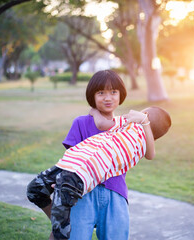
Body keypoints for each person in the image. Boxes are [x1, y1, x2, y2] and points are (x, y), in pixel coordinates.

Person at [27, 106, 171, 240]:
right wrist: (143, 120)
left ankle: (62, 225)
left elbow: (150, 154)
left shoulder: (137, 135)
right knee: (35, 190)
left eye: (142, 111)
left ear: (145, 115)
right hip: (72, 163)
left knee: (53, 213)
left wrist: (142, 121)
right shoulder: (132, 132)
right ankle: (62, 221)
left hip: (83, 172)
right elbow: (103, 125)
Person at [28, 70, 129, 240]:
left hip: (115, 192)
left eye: (113, 92)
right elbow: (71, 160)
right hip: (83, 194)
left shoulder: (124, 125)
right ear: (92, 96)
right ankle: (59, 224)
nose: (108, 97)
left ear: (120, 95)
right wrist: (62, 180)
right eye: (101, 92)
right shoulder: (81, 123)